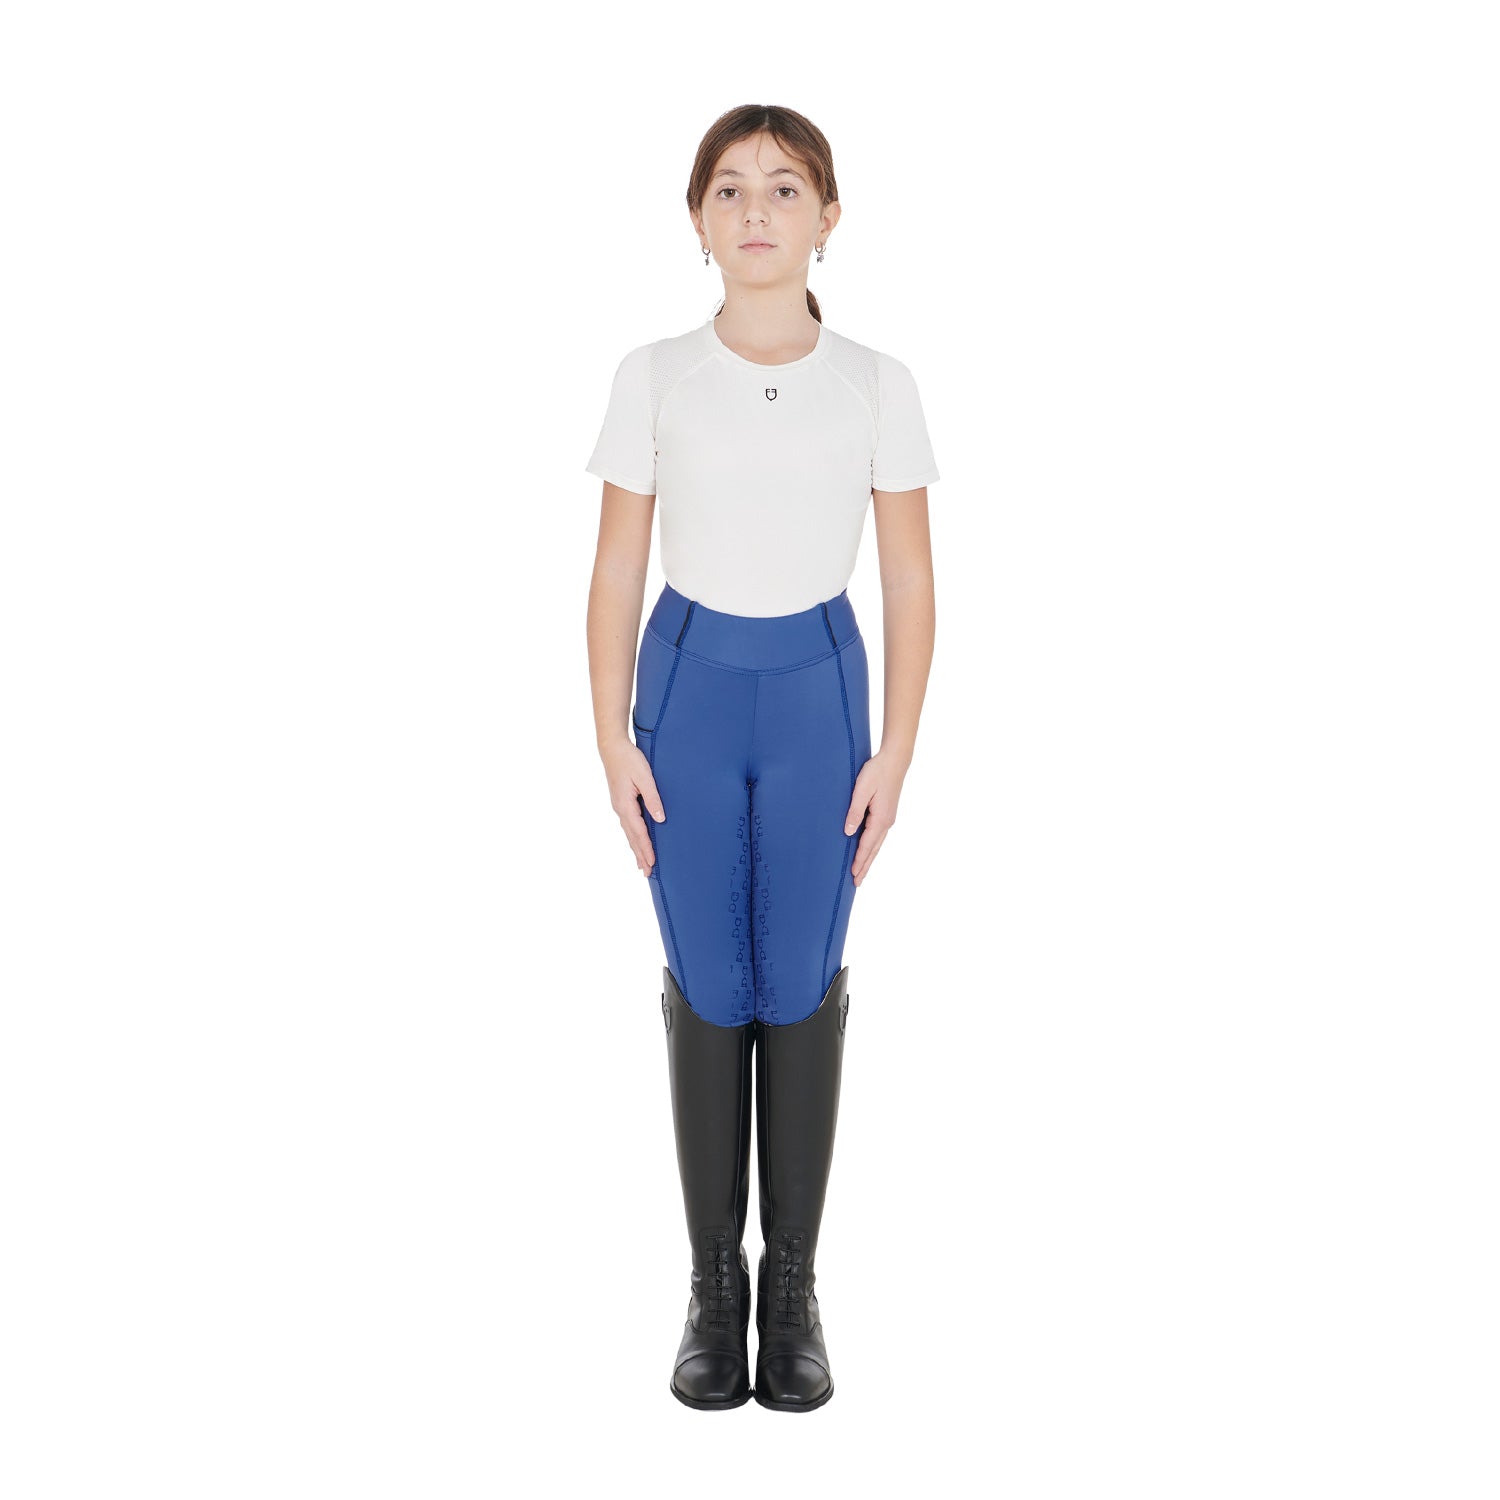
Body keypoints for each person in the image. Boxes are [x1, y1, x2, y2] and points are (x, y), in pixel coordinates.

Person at [584, 104, 939, 1412]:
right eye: (729, 188)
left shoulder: (877, 383)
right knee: (710, 976)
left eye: (784, 189)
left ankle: (792, 1289)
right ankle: (710, 1290)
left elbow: (909, 579)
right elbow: (616, 566)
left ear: (828, 218)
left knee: (797, 975)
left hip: (816, 692)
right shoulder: (656, 375)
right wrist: (610, 734)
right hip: (688, 686)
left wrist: (895, 751)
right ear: (697, 220)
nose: (755, 210)